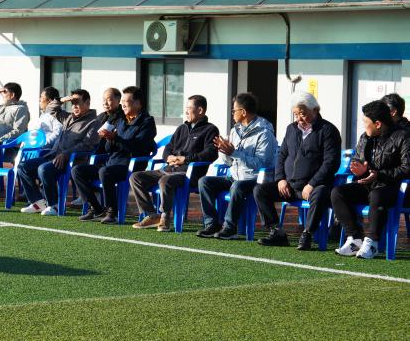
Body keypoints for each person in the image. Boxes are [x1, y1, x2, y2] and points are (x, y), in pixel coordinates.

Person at [253, 92, 341, 250]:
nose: (299, 118)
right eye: (296, 114)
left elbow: (331, 162)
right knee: (260, 190)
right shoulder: (291, 129)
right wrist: (280, 179)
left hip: (313, 187)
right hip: (290, 185)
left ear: (315, 110)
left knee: (320, 193)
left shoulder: (328, 130)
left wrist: (312, 184)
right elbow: (281, 156)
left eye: (303, 113)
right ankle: (276, 232)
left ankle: (308, 234)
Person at [331, 100, 410, 259]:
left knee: (377, 195)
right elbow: (358, 160)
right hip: (369, 184)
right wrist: (360, 171)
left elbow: (407, 167)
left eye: (366, 122)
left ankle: (372, 242)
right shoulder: (365, 137)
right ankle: (354, 238)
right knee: (338, 192)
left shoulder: (403, 136)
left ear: (378, 124)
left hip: (394, 188)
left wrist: (379, 174)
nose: (363, 126)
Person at [129, 95, 220, 232]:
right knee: (135, 177)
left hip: (188, 174)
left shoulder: (210, 130)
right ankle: (152, 215)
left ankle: (165, 217)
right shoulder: (182, 128)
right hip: (168, 168)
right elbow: (168, 148)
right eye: (186, 109)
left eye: (189, 108)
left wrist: (186, 159)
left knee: (165, 181)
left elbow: (211, 154)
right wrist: (168, 157)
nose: (186, 112)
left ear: (200, 110)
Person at [197, 92, 277, 239]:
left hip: (255, 180)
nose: (232, 113)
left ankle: (230, 227)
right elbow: (229, 162)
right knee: (204, 181)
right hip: (235, 176)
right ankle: (211, 224)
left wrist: (235, 153)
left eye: (234, 110)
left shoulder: (264, 134)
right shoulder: (235, 130)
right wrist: (224, 151)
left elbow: (261, 164)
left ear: (244, 112)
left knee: (237, 186)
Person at [74, 86, 157, 224]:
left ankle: (112, 212)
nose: (122, 104)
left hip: (130, 165)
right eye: (122, 101)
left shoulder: (147, 122)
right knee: (77, 171)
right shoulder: (121, 120)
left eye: (126, 101)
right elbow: (108, 148)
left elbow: (137, 147)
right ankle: (96, 208)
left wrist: (115, 138)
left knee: (104, 172)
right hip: (112, 163)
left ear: (138, 103)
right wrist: (108, 138)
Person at [18, 89, 100, 216]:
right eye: (72, 103)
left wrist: (66, 154)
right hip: (53, 156)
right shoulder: (68, 117)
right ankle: (37, 202)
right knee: (23, 167)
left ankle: (54, 205)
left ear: (87, 103)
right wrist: (62, 100)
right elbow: (50, 109)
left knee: (43, 169)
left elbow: (87, 145)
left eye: (77, 102)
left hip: (71, 161)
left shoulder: (94, 123)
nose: (74, 106)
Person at [0, 82, 30, 148]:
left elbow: (18, 131)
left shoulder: (21, 109)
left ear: (12, 95)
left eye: (5, 92)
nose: (2, 94)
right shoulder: (1, 108)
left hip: (9, 147)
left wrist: (0, 140)